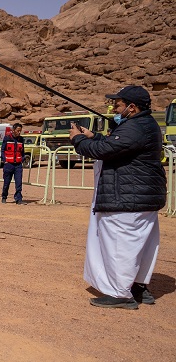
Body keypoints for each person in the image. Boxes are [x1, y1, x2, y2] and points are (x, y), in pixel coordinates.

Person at [70, 85, 166, 310]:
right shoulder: (143, 125)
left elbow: (104, 150)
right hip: (139, 196)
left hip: (127, 197)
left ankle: (120, 294)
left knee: (120, 244)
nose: (114, 107)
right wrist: (95, 136)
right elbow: (116, 144)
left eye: (118, 104)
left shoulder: (136, 128)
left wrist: (78, 140)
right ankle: (137, 287)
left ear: (132, 107)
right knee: (139, 245)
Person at [0, 123, 26, 205]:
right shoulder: (7, 138)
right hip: (9, 165)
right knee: (6, 183)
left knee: (19, 183)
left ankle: (18, 198)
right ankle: (4, 197)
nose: (19, 132)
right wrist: (5, 160)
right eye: (18, 130)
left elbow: (23, 152)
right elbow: (2, 150)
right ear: (13, 130)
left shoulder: (21, 139)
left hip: (18, 165)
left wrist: (22, 159)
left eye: (20, 131)